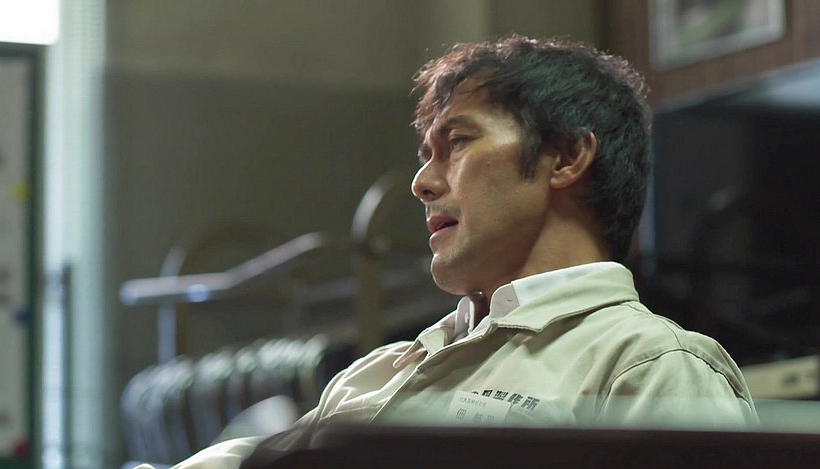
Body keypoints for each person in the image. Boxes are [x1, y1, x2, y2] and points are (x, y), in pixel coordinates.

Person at [135, 35, 757, 469]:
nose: (421, 183)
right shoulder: (378, 372)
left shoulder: (649, 366)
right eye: (426, 154)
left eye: (456, 143)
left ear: (567, 157)